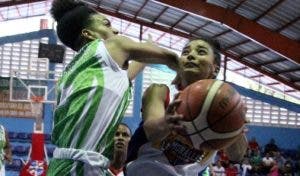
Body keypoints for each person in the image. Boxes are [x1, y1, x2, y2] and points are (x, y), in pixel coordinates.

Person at [48, 0, 178, 175]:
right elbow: (172, 58)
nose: (115, 31)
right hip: (78, 166)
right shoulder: (114, 44)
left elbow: (130, 71)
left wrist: (149, 46)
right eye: (106, 24)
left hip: (66, 165)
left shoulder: (79, 70)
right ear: (89, 34)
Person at [126, 37, 248, 176]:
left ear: (215, 69)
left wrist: (236, 129)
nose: (191, 55)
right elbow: (152, 132)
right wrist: (167, 122)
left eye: (200, 52)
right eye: (185, 52)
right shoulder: (160, 91)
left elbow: (236, 156)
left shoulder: (223, 109)